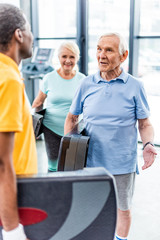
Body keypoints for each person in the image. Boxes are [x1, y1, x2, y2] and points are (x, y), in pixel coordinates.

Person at [64, 32, 157, 240]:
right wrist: (68, 153)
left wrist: (148, 143)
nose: (101, 55)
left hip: (122, 163)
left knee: (122, 209)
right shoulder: (86, 84)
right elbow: (71, 118)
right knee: (92, 208)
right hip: (91, 163)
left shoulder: (135, 86)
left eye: (109, 50)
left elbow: (145, 123)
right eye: (98, 49)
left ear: (123, 56)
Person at [0, 3, 37, 240]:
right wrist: (13, 229)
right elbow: (2, 163)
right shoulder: (9, 79)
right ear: (19, 34)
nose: (33, 37)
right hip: (9, 198)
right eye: (29, 30)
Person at [32, 41, 86, 172]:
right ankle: (53, 192)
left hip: (74, 131)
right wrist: (34, 128)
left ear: (77, 58)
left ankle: (70, 192)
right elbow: (38, 103)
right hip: (51, 128)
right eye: (64, 56)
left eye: (72, 57)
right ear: (58, 58)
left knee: (74, 167)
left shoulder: (82, 79)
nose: (68, 60)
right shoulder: (48, 78)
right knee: (53, 166)